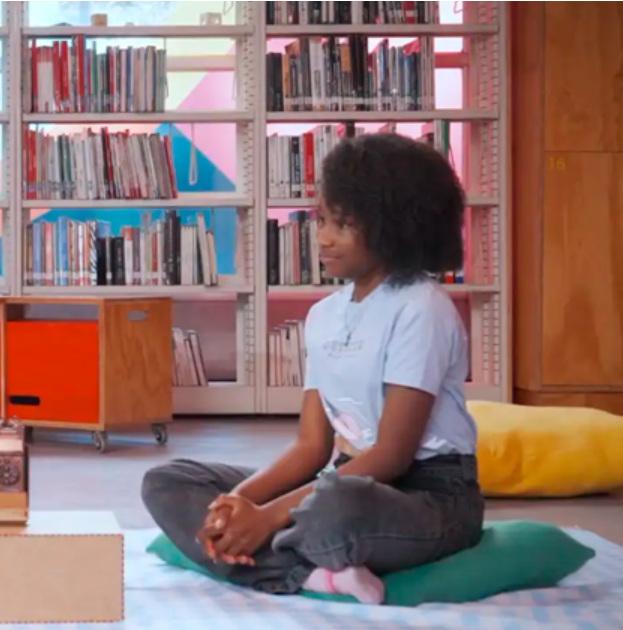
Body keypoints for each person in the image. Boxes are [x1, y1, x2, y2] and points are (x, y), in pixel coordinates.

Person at [141, 133, 484, 605]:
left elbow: (391, 456)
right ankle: (314, 575)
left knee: (335, 509)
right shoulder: (324, 314)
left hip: (430, 496)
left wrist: (267, 517)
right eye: (321, 220)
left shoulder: (421, 307)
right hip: (342, 477)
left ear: (394, 225)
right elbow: (310, 447)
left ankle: (274, 559)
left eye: (343, 224)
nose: (322, 237)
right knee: (168, 482)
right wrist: (237, 503)